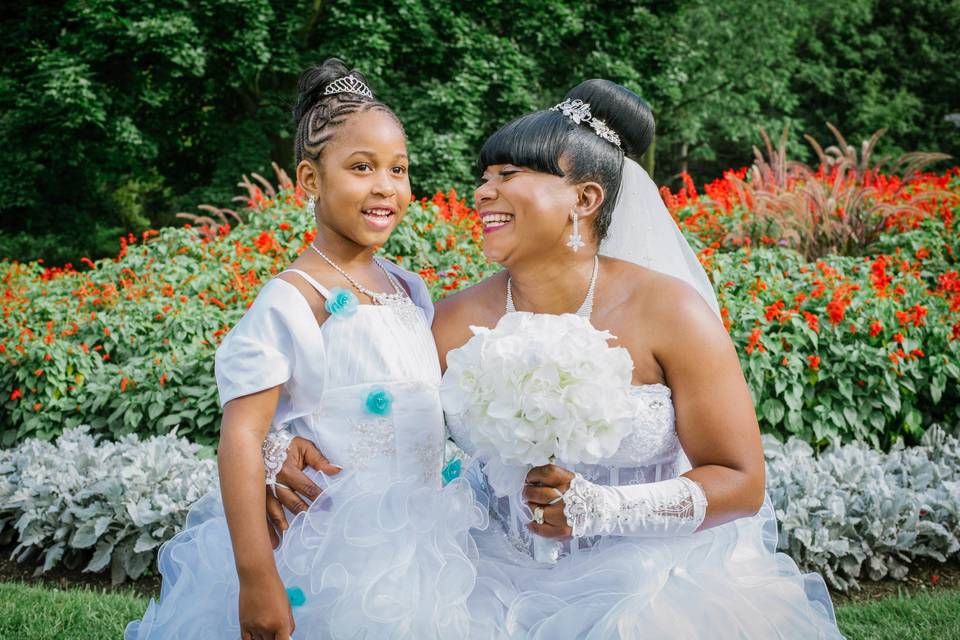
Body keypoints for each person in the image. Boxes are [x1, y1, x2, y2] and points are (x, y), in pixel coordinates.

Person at [431, 79, 844, 638]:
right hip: (488, 579)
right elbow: (397, 434)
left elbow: (741, 481)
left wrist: (603, 508)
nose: (482, 192)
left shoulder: (670, 312)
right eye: (483, 177)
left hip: (652, 584)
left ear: (585, 199)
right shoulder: (453, 318)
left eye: (508, 175)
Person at [126, 59, 484, 640]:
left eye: (399, 169)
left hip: (423, 542)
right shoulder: (294, 299)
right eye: (361, 167)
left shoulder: (410, 288)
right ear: (310, 181)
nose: (386, 187)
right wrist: (256, 576)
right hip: (329, 551)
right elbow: (242, 433)